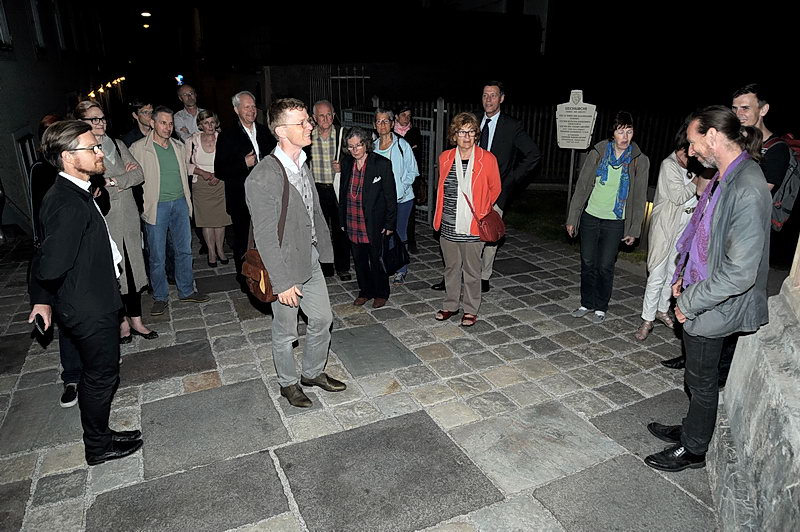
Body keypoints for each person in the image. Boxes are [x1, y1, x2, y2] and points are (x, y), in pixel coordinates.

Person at [644, 105, 770, 473]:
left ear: (712, 136)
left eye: (694, 142)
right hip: (700, 291)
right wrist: (682, 270)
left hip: (715, 303)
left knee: (701, 381)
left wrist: (689, 302)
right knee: (696, 376)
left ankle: (694, 448)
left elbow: (740, 271)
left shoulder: (747, 186)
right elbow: (701, 229)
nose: (691, 150)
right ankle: (692, 429)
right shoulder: (724, 175)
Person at [28, 120, 144, 465]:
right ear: (67, 156)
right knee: (101, 376)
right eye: (91, 148)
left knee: (102, 373)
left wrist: (43, 299)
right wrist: (43, 298)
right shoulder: (68, 203)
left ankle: (103, 435)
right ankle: (97, 446)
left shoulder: (76, 191)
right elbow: (50, 262)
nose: (99, 152)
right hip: (88, 306)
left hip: (94, 298)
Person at [245, 98, 346, 408]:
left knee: (322, 318)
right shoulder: (262, 176)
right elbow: (264, 237)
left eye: (308, 121)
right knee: (286, 330)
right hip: (284, 265)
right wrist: (282, 282)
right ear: (280, 131)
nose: (309, 126)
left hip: (309, 257)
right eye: (301, 122)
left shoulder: (302, 161)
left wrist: (324, 250)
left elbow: (313, 210)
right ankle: (288, 383)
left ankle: (312, 372)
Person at [431, 81, 540, 292]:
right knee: (456, 234)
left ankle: (483, 276)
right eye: (485, 95)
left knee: (487, 233)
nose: (488, 99)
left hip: (493, 190)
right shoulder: (472, 120)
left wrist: (510, 180)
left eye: (493, 95)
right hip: (464, 189)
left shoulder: (512, 126)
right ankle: (451, 276)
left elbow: (533, 154)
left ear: (502, 98)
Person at [73, 101, 157, 343]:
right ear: (81, 123)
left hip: (128, 215)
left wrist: (113, 181)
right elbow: (90, 183)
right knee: (114, 272)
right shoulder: (81, 150)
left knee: (134, 269)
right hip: (106, 218)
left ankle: (137, 321)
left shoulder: (118, 145)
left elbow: (138, 174)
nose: (101, 123)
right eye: (94, 119)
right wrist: (121, 176)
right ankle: (122, 324)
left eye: (102, 118)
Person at [566, 111, 650, 324]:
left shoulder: (639, 160)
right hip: (591, 217)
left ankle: (600, 306)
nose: (625, 136)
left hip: (615, 221)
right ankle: (586, 303)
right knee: (587, 262)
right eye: (621, 131)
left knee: (605, 265)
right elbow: (582, 187)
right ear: (613, 133)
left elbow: (639, 198)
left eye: (629, 131)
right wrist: (573, 218)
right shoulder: (599, 152)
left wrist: (633, 229)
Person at [130, 106, 209, 316]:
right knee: (157, 255)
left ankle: (186, 290)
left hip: (180, 203)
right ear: (152, 123)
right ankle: (160, 296)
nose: (167, 127)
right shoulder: (138, 148)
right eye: (163, 123)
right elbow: (132, 175)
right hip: (156, 206)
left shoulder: (178, 146)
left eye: (170, 123)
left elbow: (186, 169)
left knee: (184, 250)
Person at [28, 114, 83, 407]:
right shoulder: (41, 171)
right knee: (66, 316)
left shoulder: (81, 166)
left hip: (84, 253)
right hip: (57, 250)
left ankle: (99, 365)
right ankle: (71, 377)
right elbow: (40, 213)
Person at [634, 124, 704, 341]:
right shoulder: (669, 165)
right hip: (665, 227)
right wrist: (699, 178)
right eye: (686, 149)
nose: (690, 154)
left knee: (673, 273)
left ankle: (662, 309)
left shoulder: (696, 164)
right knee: (657, 273)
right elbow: (678, 196)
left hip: (686, 228)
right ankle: (647, 319)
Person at [433, 112, 501, 327]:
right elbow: (441, 188)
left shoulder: (487, 159)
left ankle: (471, 309)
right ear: (454, 135)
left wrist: (481, 209)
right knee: (451, 268)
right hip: (448, 223)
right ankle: (451, 305)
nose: (467, 137)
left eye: (471, 132)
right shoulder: (445, 158)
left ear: (476, 135)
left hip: (473, 224)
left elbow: (495, 189)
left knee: (472, 270)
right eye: (462, 132)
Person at [215, 91, 276, 281]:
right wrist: (244, 163)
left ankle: (268, 277)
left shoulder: (265, 132)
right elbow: (220, 170)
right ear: (236, 110)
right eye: (246, 107)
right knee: (243, 240)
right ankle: (245, 278)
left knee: (267, 238)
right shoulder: (227, 136)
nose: (251, 110)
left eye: (253, 106)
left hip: (266, 197)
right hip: (241, 199)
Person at [338, 126, 397, 308]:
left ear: (366, 144)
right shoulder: (347, 163)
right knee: (359, 259)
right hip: (352, 219)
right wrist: (342, 220)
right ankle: (365, 291)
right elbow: (342, 193)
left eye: (358, 145)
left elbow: (390, 196)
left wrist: (390, 223)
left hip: (374, 223)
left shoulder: (381, 164)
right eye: (351, 146)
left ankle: (381, 292)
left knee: (377, 259)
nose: (354, 150)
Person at [373, 108, 418, 284]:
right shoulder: (372, 147)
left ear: (392, 124)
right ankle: (386, 264)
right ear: (374, 125)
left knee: (399, 233)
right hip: (381, 201)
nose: (382, 124)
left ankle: (401, 269)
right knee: (383, 234)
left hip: (402, 199)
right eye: (379, 121)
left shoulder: (402, 145)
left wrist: (400, 189)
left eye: (386, 121)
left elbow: (412, 171)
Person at [308, 99, 351, 280]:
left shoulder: (343, 135)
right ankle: (325, 265)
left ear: (334, 115)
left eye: (328, 115)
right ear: (314, 118)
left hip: (338, 189)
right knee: (320, 229)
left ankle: (343, 267)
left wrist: (343, 168)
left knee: (341, 228)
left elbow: (357, 160)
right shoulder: (307, 137)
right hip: (317, 188)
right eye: (321, 115)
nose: (325, 119)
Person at [185, 110, 231, 268]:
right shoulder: (192, 141)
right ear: (200, 125)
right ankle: (211, 252)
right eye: (206, 123)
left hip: (221, 182)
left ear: (216, 123)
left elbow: (230, 160)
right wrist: (202, 173)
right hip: (201, 184)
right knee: (207, 221)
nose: (210, 126)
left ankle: (220, 250)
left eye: (212, 122)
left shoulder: (223, 138)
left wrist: (219, 174)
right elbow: (185, 164)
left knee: (220, 220)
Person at [395, 105, 423, 254]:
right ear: (396, 117)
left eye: (409, 115)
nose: (406, 118)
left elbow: (417, 155)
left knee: (410, 211)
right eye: (403, 115)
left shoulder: (414, 132)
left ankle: (411, 241)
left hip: (410, 176)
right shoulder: (390, 132)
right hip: (394, 177)